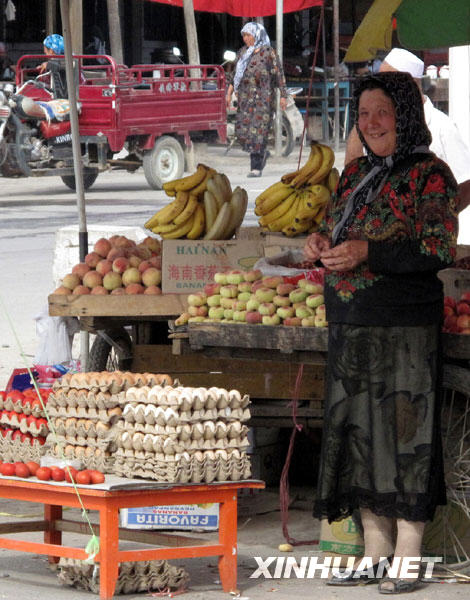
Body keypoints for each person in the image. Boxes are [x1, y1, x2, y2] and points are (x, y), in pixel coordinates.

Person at [304, 71, 458, 593]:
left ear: (406, 118)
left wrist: (370, 252)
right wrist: (320, 242)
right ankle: (375, 550)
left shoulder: (430, 176)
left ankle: (409, 556)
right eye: (363, 114)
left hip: (404, 328)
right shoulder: (354, 176)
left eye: (383, 114)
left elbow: (436, 250)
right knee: (360, 437)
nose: (370, 124)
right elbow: (342, 232)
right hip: (352, 326)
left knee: (404, 437)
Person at [345, 48, 470, 217]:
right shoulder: (375, 127)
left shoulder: (442, 127)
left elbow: (464, 184)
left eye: (388, 82)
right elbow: (351, 177)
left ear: (408, 87)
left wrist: (430, 214)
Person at [225, 22, 287, 177]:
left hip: (263, 100)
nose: (246, 38)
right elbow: (234, 77)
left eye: (248, 35)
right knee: (244, 132)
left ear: (257, 35)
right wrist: (229, 93)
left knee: (258, 132)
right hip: (245, 100)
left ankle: (256, 167)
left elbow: (279, 75)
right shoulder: (243, 52)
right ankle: (263, 154)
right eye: (244, 36)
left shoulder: (268, 53)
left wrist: (283, 96)